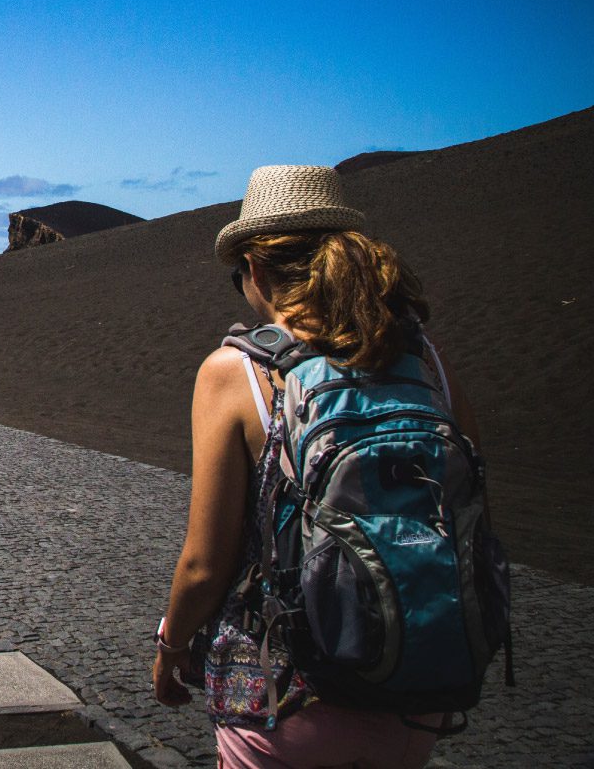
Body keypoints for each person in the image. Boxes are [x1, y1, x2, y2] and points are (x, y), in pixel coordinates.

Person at [152, 165, 477, 768]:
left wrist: (171, 645)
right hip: (416, 692)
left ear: (255, 268)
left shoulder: (238, 373)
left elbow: (204, 563)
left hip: (284, 698)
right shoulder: (426, 360)